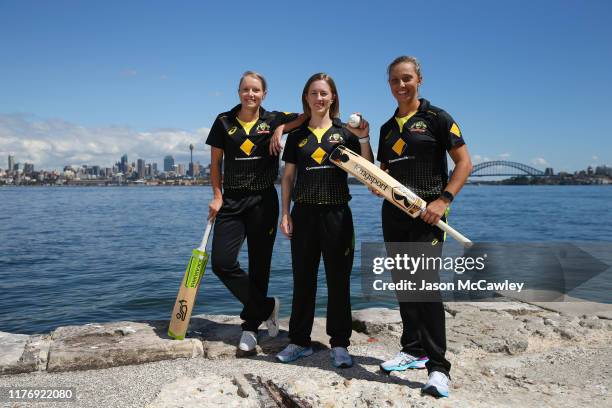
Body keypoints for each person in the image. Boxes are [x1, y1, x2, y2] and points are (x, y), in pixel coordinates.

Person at [376, 56, 473, 398]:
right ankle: (412, 349)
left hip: (429, 215)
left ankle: (438, 369)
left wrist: (443, 200)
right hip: (394, 215)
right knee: (404, 284)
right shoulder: (387, 129)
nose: (400, 86)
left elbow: (464, 163)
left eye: (406, 79)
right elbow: (383, 172)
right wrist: (379, 183)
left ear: (419, 80)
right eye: (394, 81)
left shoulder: (437, 118)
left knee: (425, 288)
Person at [276, 73, 373, 368]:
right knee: (303, 280)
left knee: (338, 282)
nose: (319, 98)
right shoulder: (298, 135)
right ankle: (299, 342)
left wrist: (364, 138)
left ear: (333, 98)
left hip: (337, 215)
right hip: (303, 214)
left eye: (324, 94)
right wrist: (284, 213)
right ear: (306, 98)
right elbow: (288, 177)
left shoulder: (345, 132)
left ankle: (340, 344)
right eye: (314, 93)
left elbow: (366, 171)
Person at [205, 71, 303, 352]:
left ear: (264, 94)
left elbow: (306, 116)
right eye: (246, 89)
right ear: (239, 92)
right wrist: (217, 195)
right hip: (232, 203)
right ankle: (266, 306)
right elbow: (215, 165)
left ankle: (249, 327)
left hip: (263, 202)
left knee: (261, 266)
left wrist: (282, 129)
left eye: (256, 90)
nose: (251, 94)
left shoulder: (273, 119)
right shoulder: (223, 121)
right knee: (222, 263)